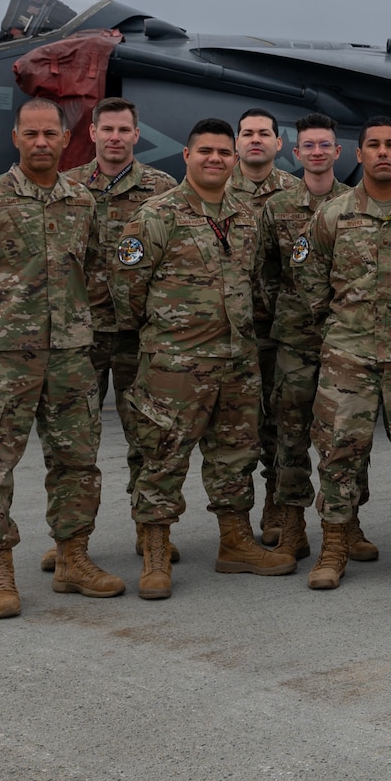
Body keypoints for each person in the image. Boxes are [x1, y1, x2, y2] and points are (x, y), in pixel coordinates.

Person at [0, 97, 123, 618]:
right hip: (5, 354)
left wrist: (78, 326)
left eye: (51, 134)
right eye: (32, 134)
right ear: (16, 138)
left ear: (68, 140)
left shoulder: (81, 202)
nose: (42, 142)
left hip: (70, 355)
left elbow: (93, 270)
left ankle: (73, 557)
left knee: (77, 460)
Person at [115, 118, 296, 599]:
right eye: (205, 152)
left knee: (236, 455)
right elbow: (127, 291)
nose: (214, 159)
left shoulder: (248, 215)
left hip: (237, 360)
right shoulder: (157, 215)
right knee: (162, 455)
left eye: (222, 152)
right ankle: (155, 551)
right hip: (175, 364)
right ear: (186, 156)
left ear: (234, 160)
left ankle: (235, 544)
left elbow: (254, 277)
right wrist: (169, 336)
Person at [295, 116, 391, 590]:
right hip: (349, 358)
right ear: (358, 155)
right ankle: (335, 544)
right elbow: (309, 279)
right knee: (340, 453)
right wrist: (340, 325)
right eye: (373, 145)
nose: (383, 152)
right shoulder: (333, 215)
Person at [44, 97, 177, 574]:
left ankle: (150, 528)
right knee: (73, 442)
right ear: (93, 135)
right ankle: (70, 537)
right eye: (108, 130)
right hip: (80, 338)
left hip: (139, 336)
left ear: (137, 136)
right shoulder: (67, 187)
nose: (116, 137)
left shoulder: (163, 190)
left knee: (149, 437)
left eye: (125, 130)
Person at [256, 114, 351, 562]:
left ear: (338, 152)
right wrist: (288, 315)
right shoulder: (277, 207)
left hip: (346, 344)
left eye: (324, 145)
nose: (316, 152)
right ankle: (292, 523)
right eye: (308, 146)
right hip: (294, 343)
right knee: (289, 434)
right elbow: (266, 273)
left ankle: (347, 525)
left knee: (346, 437)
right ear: (295, 153)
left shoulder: (355, 205)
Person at [228, 108, 311, 549]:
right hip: (234, 329)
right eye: (247, 133)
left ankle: (277, 503)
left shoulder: (298, 194)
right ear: (236, 142)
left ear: (279, 144)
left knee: (282, 421)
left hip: (283, 330)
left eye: (264, 133)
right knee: (241, 424)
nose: (255, 140)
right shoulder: (217, 193)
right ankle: (235, 521)